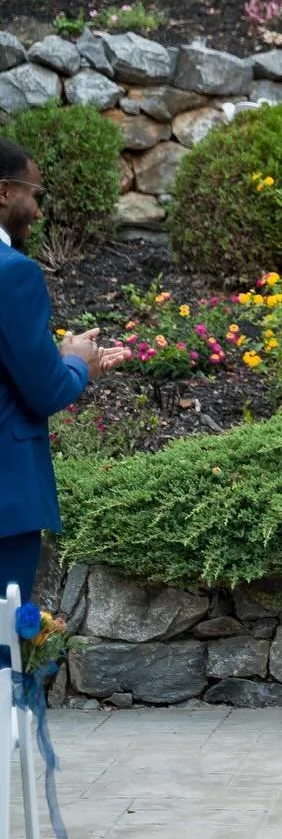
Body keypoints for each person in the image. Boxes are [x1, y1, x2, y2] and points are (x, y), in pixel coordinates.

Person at [0, 139, 127, 601]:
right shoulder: (13, 273)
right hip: (6, 499)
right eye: (34, 194)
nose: (37, 210)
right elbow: (45, 390)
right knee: (5, 650)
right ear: (3, 192)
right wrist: (76, 362)